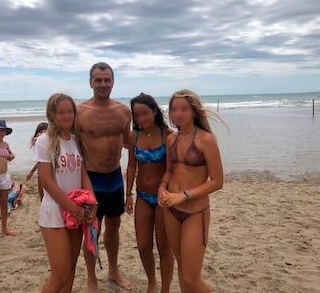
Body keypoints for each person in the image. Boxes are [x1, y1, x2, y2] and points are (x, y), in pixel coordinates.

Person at [158, 89, 224, 292]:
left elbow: (217, 181)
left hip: (195, 212)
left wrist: (183, 196)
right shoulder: (171, 139)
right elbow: (169, 171)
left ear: (194, 112)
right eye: (174, 109)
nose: (178, 114)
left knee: (191, 278)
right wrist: (162, 187)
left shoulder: (206, 140)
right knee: (181, 267)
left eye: (184, 109)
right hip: (171, 209)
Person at [34, 93, 97, 293]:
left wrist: (92, 202)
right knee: (59, 275)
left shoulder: (75, 140)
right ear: (52, 114)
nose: (66, 116)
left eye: (70, 111)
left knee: (70, 270)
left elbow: (83, 174)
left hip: (76, 210)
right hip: (55, 212)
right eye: (61, 112)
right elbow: (47, 182)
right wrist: (73, 208)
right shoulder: (45, 141)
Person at [77, 62, 132, 292]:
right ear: (90, 82)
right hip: (91, 177)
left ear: (113, 82)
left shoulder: (123, 111)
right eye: (98, 80)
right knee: (92, 229)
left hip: (115, 178)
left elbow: (130, 143)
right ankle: (91, 278)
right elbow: (70, 146)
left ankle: (113, 270)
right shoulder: (80, 112)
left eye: (107, 79)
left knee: (114, 226)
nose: (102, 84)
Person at [126, 93, 174, 293]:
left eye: (145, 113)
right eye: (137, 115)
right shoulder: (133, 136)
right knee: (144, 245)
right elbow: (130, 166)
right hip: (143, 196)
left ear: (154, 111)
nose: (142, 119)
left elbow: (172, 170)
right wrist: (128, 194)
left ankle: (165, 288)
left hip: (164, 198)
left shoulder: (168, 135)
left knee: (164, 247)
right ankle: (151, 281)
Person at [26, 122, 48, 200]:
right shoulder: (37, 142)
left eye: (45, 132)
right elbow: (39, 161)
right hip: (42, 172)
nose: (42, 135)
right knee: (43, 197)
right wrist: (31, 172)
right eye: (40, 133)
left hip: (47, 171)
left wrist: (31, 172)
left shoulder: (49, 141)